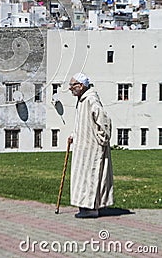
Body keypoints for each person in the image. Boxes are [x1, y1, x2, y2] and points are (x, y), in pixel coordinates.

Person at [68, 72, 113, 218]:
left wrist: (102, 140)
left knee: (90, 176)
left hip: (92, 148)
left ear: (81, 86)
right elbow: (82, 123)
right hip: (82, 147)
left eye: (72, 85)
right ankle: (84, 206)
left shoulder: (91, 100)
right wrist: (74, 135)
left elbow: (104, 120)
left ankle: (92, 208)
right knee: (81, 176)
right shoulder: (82, 100)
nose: (70, 88)